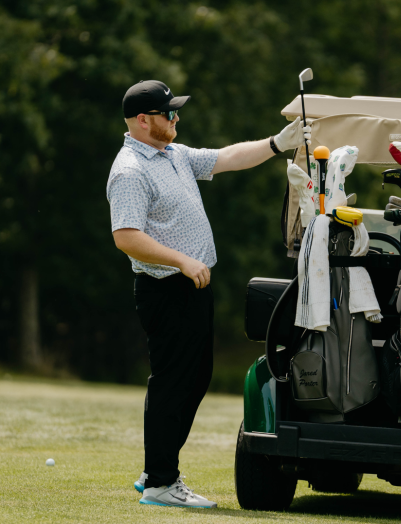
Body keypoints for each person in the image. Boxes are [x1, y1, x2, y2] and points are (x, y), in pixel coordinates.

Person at [106, 80, 311, 509]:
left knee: (194, 378)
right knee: (172, 382)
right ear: (143, 121)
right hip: (166, 288)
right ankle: (162, 482)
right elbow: (126, 236)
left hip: (190, 286)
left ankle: (155, 469)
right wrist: (181, 260)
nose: (177, 118)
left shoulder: (173, 155)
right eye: (169, 113)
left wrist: (276, 144)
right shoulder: (130, 169)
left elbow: (226, 158)